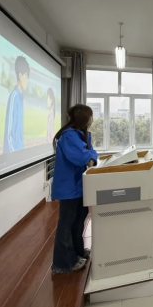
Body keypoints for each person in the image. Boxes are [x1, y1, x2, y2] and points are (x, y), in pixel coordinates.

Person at [52, 104, 98, 275]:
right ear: (83, 118)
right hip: (69, 187)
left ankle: (78, 251)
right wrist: (90, 157)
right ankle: (64, 263)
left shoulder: (81, 135)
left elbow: (92, 153)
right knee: (67, 223)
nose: (91, 120)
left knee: (80, 219)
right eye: (89, 117)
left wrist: (91, 157)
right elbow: (82, 157)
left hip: (78, 186)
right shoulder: (69, 136)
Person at [3, 56, 29, 153]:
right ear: (20, 76)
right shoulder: (14, 97)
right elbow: (9, 132)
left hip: (19, 154)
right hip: (12, 155)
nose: (27, 81)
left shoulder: (21, 98)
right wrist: (13, 154)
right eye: (26, 77)